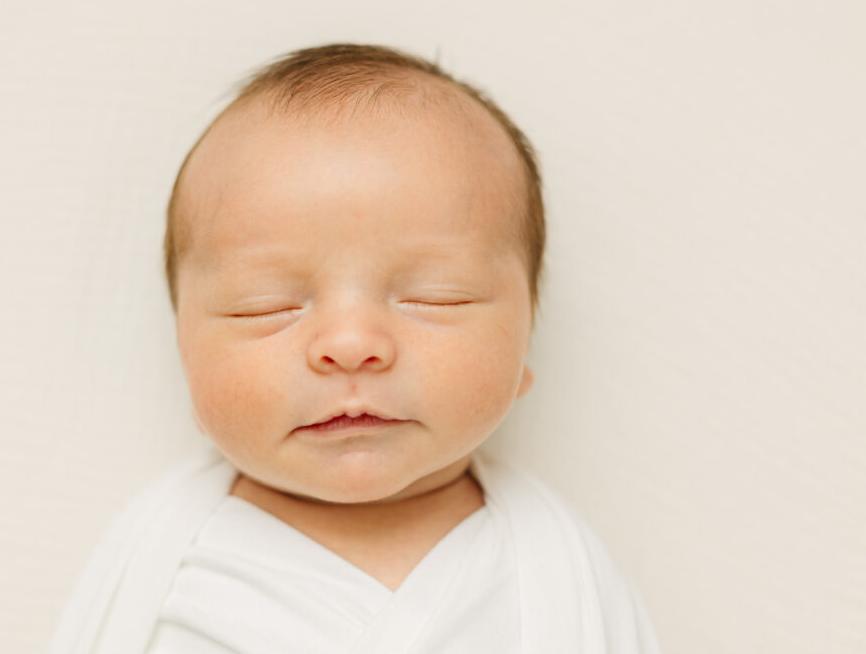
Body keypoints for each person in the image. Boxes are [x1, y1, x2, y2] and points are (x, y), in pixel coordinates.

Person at [50, 43, 660, 653]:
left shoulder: (563, 576)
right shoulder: (155, 561)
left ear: (524, 340)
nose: (351, 345)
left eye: (436, 296)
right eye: (265, 306)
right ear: (188, 358)